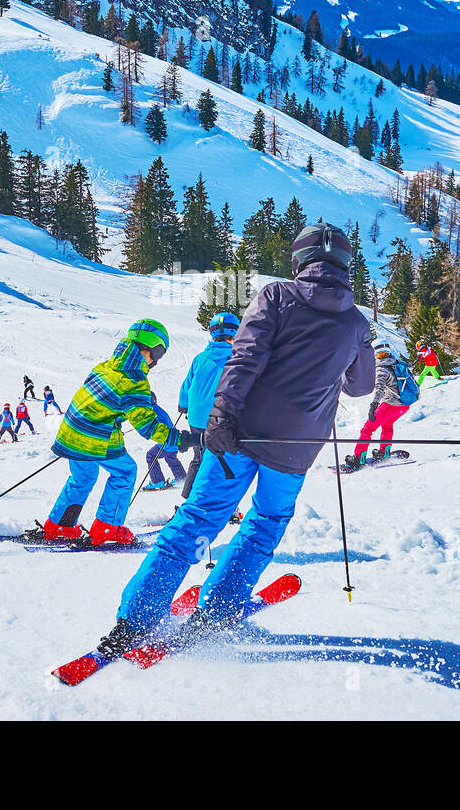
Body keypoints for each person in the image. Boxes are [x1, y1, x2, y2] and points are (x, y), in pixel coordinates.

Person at [96, 224, 373, 655]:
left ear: (299, 261)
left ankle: (137, 620)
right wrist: (357, 344)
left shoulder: (277, 297)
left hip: (240, 436)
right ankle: (221, 609)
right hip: (296, 449)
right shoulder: (355, 321)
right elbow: (360, 387)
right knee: (264, 526)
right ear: (345, 265)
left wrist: (221, 416)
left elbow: (244, 359)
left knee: (196, 521)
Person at [43, 319, 185, 546]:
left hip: (71, 430)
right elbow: (147, 426)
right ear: (149, 349)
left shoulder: (105, 366)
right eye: (158, 355)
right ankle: (108, 528)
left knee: (83, 478)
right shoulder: (134, 380)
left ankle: (60, 526)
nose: (156, 362)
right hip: (95, 435)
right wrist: (179, 439)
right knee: (125, 472)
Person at [176, 312, 239, 498]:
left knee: (199, 458)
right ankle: (221, 505)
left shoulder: (200, 358)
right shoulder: (235, 359)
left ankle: (188, 499)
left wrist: (183, 405)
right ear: (235, 334)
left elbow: (187, 385)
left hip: (196, 418)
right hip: (219, 419)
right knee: (223, 460)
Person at [346, 338, 418, 469]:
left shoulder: (381, 369)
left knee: (367, 429)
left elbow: (379, 388)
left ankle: (358, 458)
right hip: (405, 405)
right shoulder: (397, 363)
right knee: (387, 425)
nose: (380, 356)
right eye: (380, 354)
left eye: (379, 354)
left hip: (391, 405)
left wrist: (373, 405)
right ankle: (384, 452)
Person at [143, 394, 186, 491]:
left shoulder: (153, 412)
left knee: (150, 456)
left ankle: (158, 481)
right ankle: (182, 479)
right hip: (174, 442)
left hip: (166, 442)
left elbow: (159, 426)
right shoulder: (158, 409)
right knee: (171, 458)